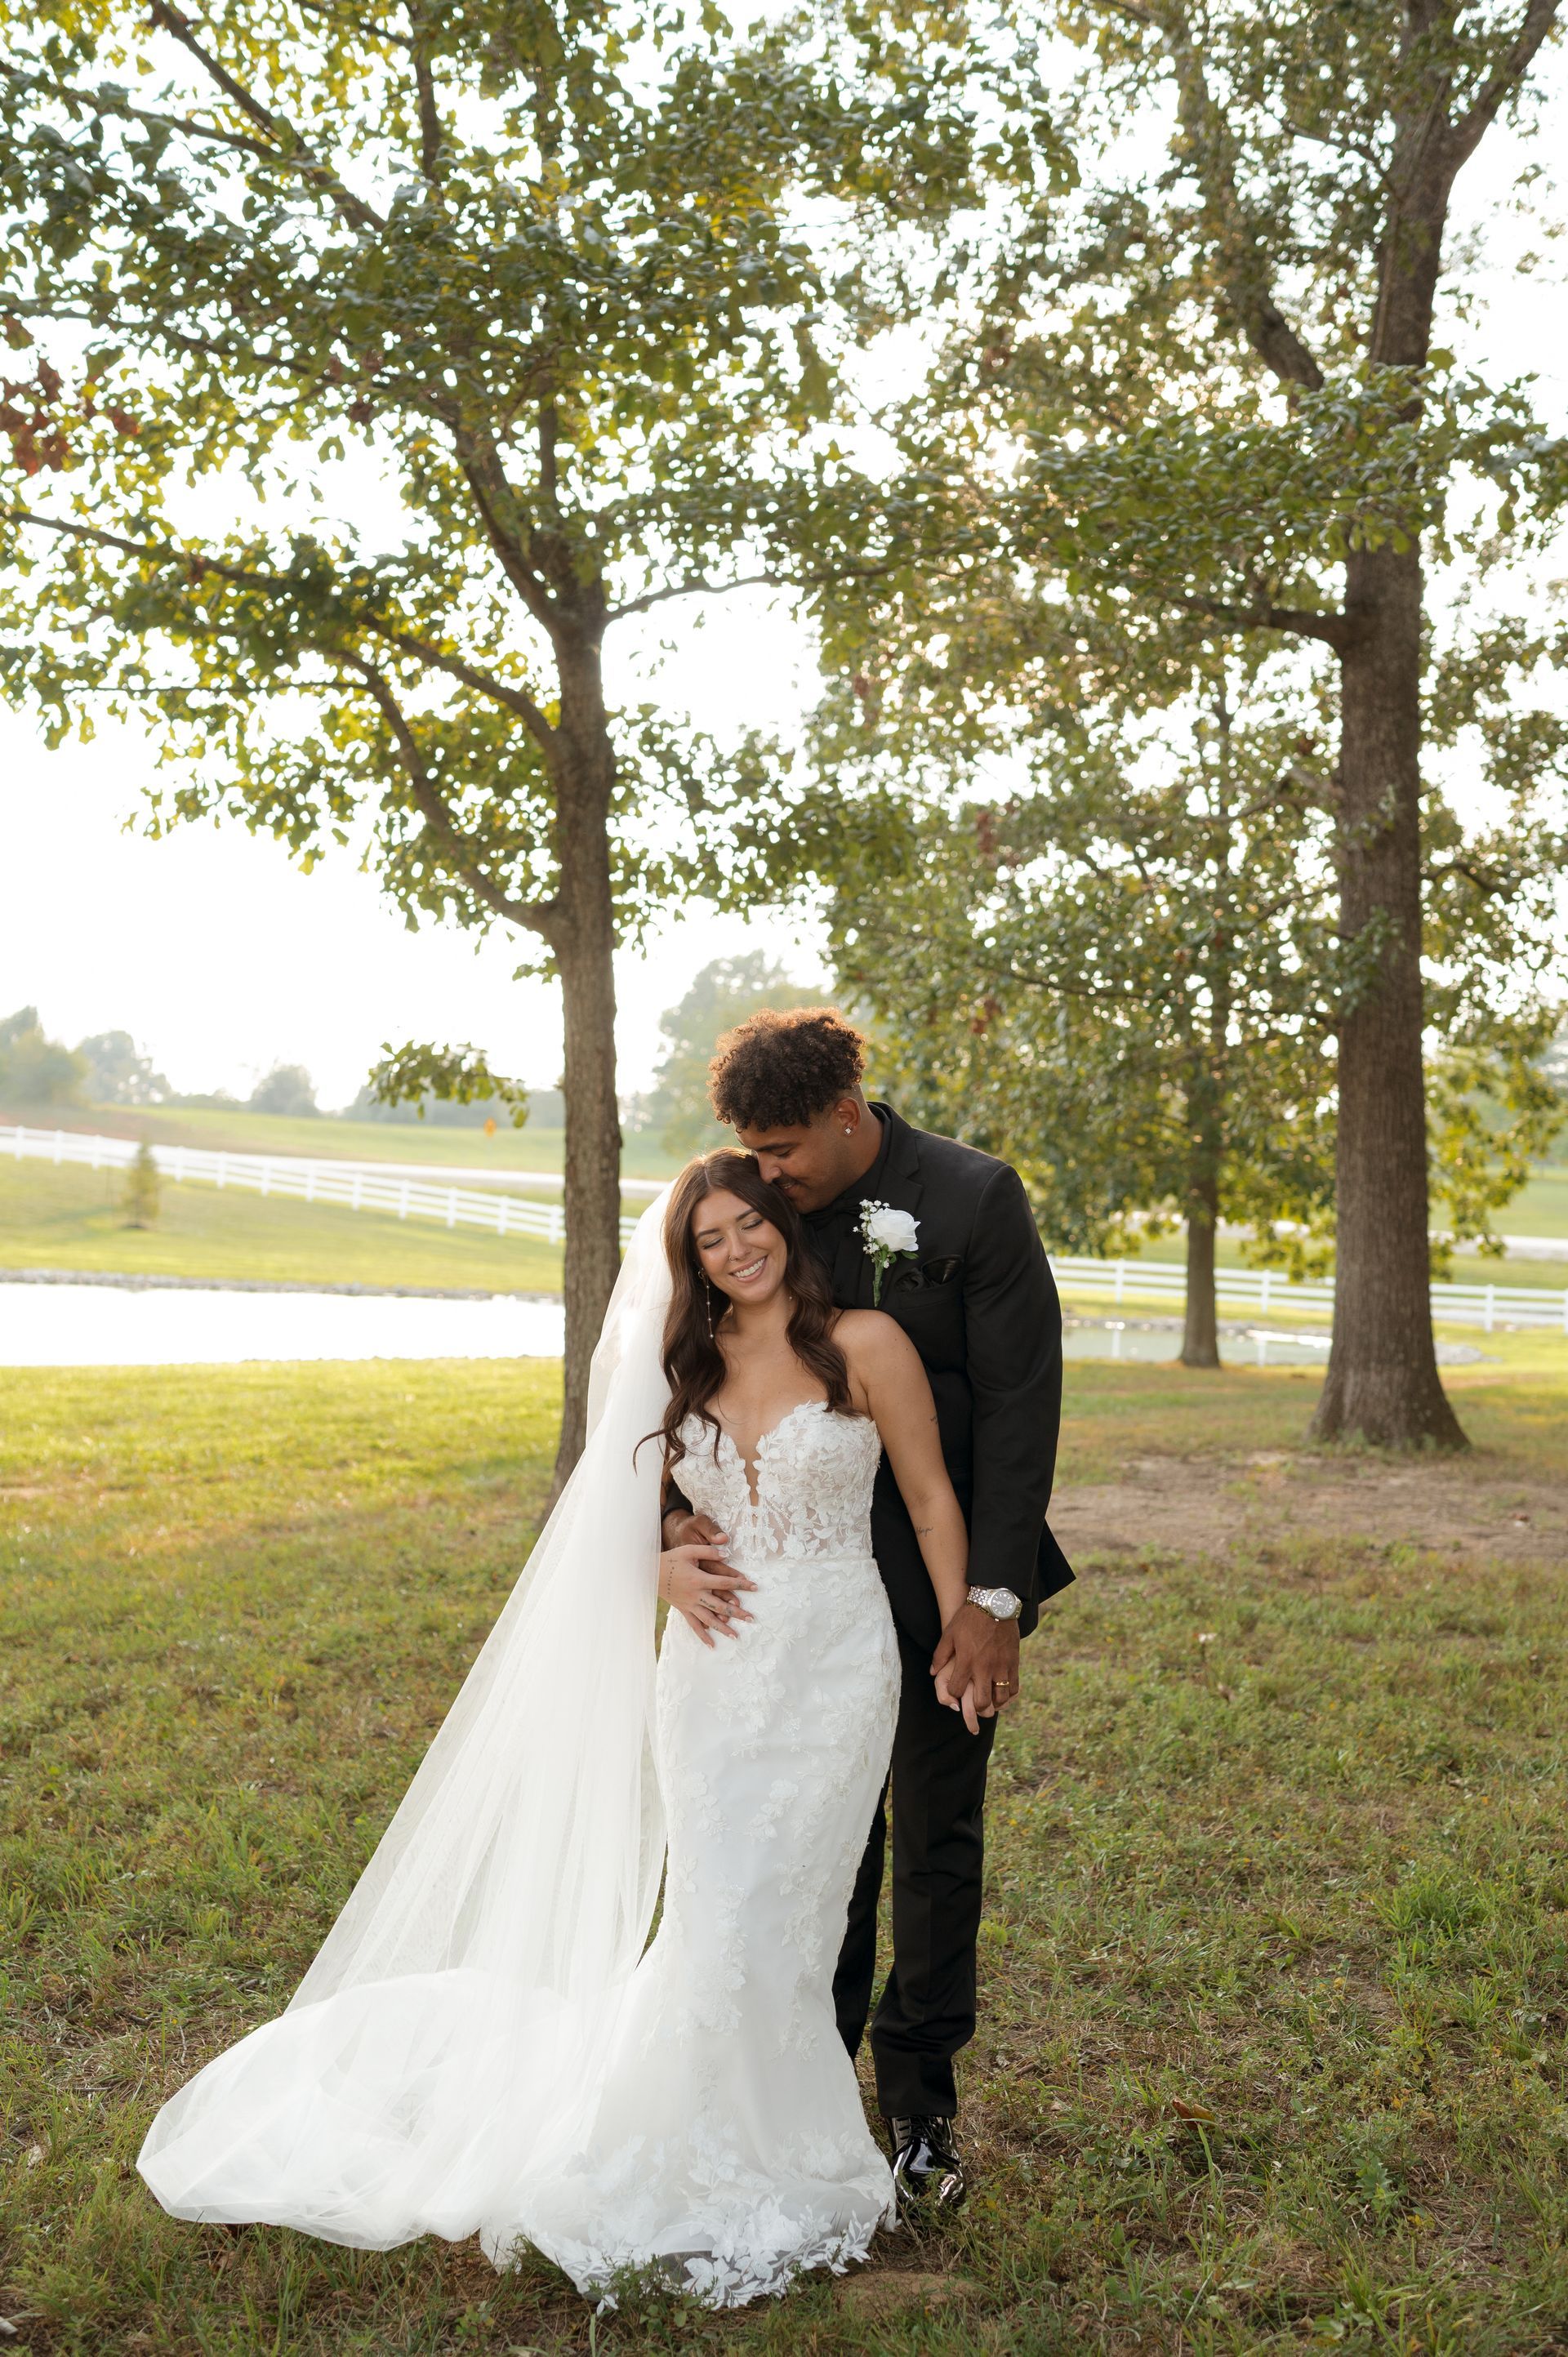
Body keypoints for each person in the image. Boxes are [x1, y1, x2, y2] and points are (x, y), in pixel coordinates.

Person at [137, 1153, 976, 2307]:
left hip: (840, 1665)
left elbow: (930, 1497)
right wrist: (659, 1563)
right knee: (721, 1909)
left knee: (796, 1912)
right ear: (691, 1265)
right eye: (711, 1241)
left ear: (784, 1220)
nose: (739, 1249)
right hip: (717, 1675)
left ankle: (782, 2138)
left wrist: (960, 1633)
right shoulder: (678, 1367)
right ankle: (675, 2147)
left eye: (750, 1224)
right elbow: (599, 1527)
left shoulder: (871, 1344)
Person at [664, 1008, 1071, 2209]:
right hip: (792, 1572)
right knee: (811, 1846)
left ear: (848, 1117)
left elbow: (1017, 1407)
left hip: (941, 1577)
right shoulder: (756, 1206)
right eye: (752, 1151)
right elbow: (690, 1372)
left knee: (936, 1841)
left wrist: (990, 1603)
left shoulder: (972, 1198)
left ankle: (921, 2110)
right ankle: (800, 2083)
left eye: (783, 1148)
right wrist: (667, 1529)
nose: (765, 1174)